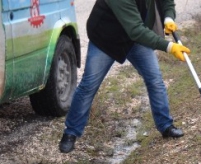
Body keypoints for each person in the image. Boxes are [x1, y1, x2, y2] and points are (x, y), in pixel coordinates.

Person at [59, 0, 191, 153]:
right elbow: (135, 29)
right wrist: (169, 47)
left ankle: (166, 126)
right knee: (89, 85)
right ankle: (71, 132)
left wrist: (168, 17)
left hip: (136, 37)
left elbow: (166, 1)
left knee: (155, 79)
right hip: (106, 39)